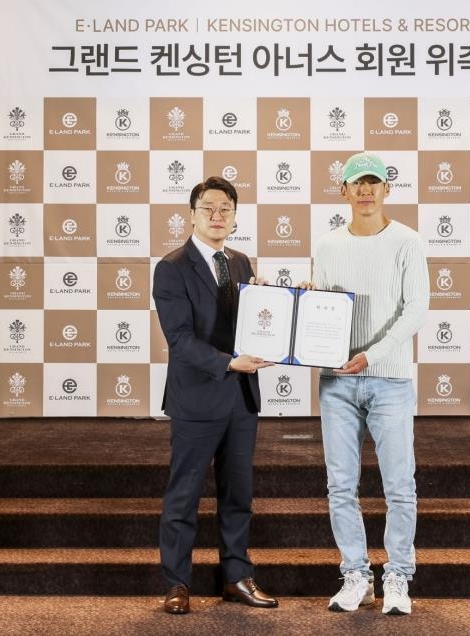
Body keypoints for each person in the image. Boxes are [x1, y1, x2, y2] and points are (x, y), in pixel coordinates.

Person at [305, 152, 429, 616]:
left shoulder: (407, 242)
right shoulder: (328, 245)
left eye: (373, 182)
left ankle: (398, 576)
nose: (365, 190)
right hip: (337, 380)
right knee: (340, 486)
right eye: (356, 183)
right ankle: (355, 575)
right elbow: (326, 308)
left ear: (386, 189)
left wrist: (372, 355)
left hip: (389, 379)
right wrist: (306, 304)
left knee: (399, 486)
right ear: (343, 191)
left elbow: (416, 309)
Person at [152, 176, 279, 615]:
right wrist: (228, 363)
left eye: (225, 208)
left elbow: (253, 327)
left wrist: (277, 310)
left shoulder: (240, 263)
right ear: (192, 215)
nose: (217, 215)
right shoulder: (172, 267)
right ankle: (176, 583)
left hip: (241, 398)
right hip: (197, 399)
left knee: (238, 495)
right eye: (208, 207)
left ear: (235, 216)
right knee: (183, 495)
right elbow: (180, 339)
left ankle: (237, 577)